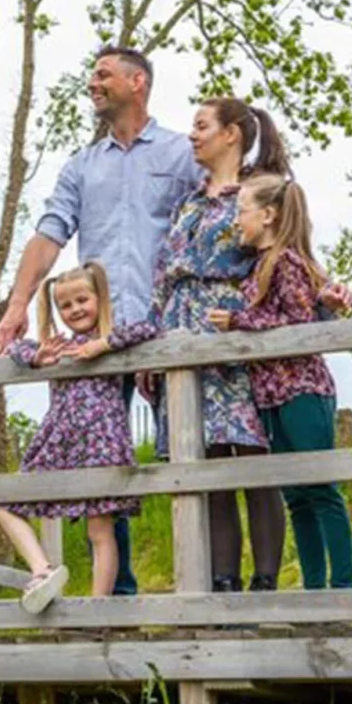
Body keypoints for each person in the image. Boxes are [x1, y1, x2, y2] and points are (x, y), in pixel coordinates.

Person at [0, 46, 202, 596]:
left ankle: (200, 590)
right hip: (98, 342)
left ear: (138, 82)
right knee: (99, 460)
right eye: (92, 74)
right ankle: (119, 596)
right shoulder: (83, 166)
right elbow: (50, 231)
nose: (93, 83)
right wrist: (17, 306)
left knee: (186, 457)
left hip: (162, 333)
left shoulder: (182, 154)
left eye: (104, 74)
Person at [144, 96, 289, 592]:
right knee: (202, 459)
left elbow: (286, 258)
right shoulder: (188, 202)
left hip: (232, 331)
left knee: (250, 456)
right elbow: (164, 274)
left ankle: (264, 583)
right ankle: (221, 583)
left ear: (231, 134)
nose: (192, 135)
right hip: (181, 333)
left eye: (201, 125)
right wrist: (152, 341)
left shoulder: (260, 193)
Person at [209, 174, 352, 590]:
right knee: (296, 496)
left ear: (269, 215)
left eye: (242, 211)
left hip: (302, 389)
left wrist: (239, 320)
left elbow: (297, 322)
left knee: (321, 488)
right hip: (272, 393)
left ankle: (343, 586)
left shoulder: (286, 262)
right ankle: (314, 589)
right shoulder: (258, 266)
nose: (237, 220)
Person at [0, 262, 157, 612]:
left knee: (100, 531)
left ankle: (98, 609)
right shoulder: (59, 347)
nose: (75, 310)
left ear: (99, 298)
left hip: (101, 441)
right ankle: (42, 571)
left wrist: (103, 345)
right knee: (4, 503)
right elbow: (15, 350)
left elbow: (149, 329)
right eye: (65, 306)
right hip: (61, 442)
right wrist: (38, 358)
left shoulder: (112, 340)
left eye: (82, 300)